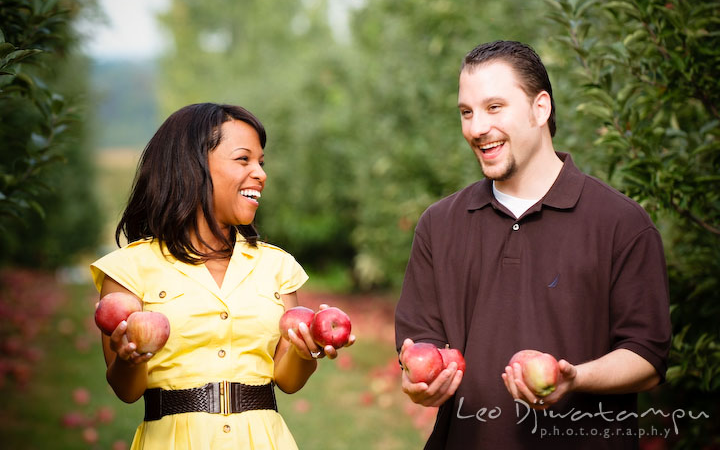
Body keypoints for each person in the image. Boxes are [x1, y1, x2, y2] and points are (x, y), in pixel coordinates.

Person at [394, 41, 671, 449]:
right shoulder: (439, 225)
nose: (475, 128)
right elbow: (420, 345)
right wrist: (418, 380)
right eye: (466, 113)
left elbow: (647, 358)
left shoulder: (621, 223)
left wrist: (576, 377)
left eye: (494, 108)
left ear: (540, 109)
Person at [90, 103, 354, 450]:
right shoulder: (129, 269)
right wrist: (128, 358)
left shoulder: (277, 266)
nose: (260, 173)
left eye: (261, 162)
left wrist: (307, 351)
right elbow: (127, 391)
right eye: (243, 160)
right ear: (192, 166)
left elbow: (287, 381)